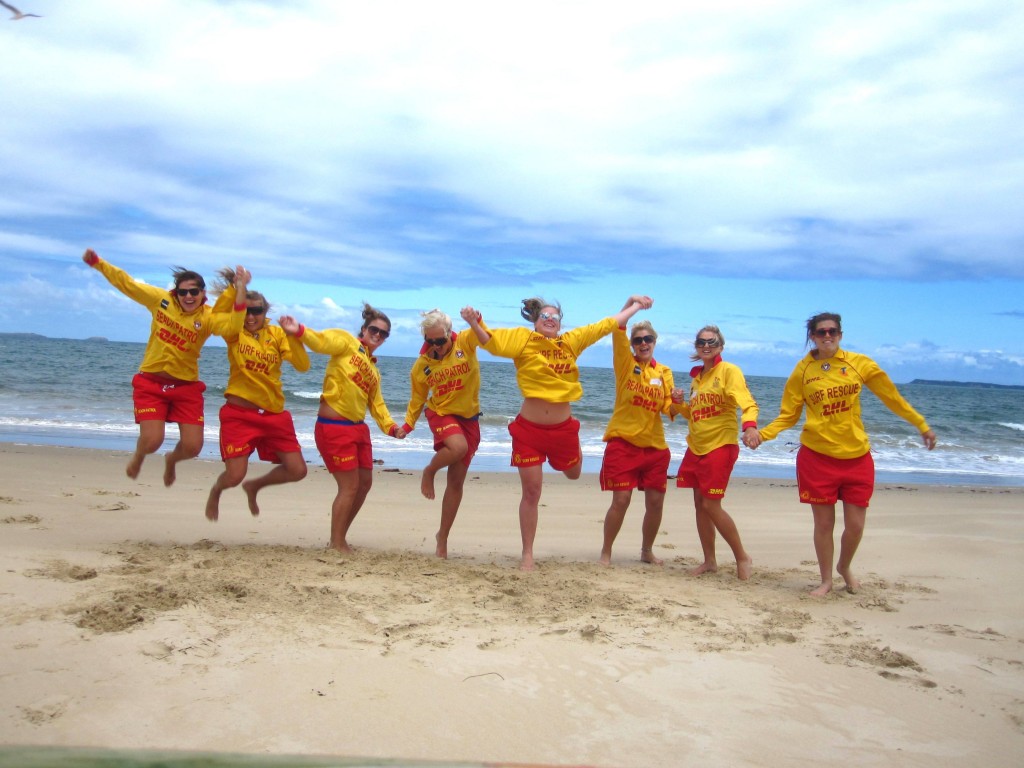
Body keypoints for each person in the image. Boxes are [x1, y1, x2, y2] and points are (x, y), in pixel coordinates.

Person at [745, 312, 937, 596]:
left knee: (856, 526)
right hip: (817, 457)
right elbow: (788, 415)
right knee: (824, 524)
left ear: (840, 334)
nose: (827, 336)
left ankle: (844, 566)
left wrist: (921, 425)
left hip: (856, 456)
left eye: (832, 331)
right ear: (812, 336)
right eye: (821, 332)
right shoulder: (803, 370)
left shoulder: (859, 364)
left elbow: (891, 397)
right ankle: (825, 580)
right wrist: (761, 434)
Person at [462, 295, 652, 570]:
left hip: (563, 431)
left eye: (554, 317)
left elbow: (608, 325)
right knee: (531, 492)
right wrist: (473, 322)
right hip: (529, 431)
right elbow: (490, 342)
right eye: (544, 316)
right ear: (536, 321)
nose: (549, 319)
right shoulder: (522, 340)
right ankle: (527, 553)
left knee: (573, 474)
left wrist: (633, 305)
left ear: (560, 323)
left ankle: (574, 454)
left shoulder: (571, 342)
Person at [81, 249, 250, 485]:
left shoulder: (209, 317)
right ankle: (139, 456)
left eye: (193, 292)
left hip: (186, 387)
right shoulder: (160, 301)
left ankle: (172, 460)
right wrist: (98, 263)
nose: (188, 297)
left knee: (192, 447)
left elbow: (232, 328)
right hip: (151, 383)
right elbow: (127, 284)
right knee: (152, 441)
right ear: (175, 292)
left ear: (202, 294)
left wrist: (240, 290)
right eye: (183, 292)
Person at [280, 304, 406, 553]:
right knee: (348, 486)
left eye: (384, 334)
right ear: (364, 328)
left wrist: (392, 428)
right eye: (374, 329)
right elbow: (322, 342)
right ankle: (337, 543)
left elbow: (377, 404)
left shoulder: (373, 371)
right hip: (334, 426)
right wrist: (299, 331)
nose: (378, 335)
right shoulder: (347, 343)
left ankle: (339, 537)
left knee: (365, 484)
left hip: (359, 429)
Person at [204, 273, 310, 522]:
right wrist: (239, 287)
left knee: (298, 470)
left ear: (265, 311)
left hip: (273, 415)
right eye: (247, 311)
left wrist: (293, 335)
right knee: (234, 476)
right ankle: (216, 491)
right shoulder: (234, 332)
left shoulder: (276, 333)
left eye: (257, 311)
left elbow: (303, 365)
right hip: (239, 415)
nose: (251, 317)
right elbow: (233, 318)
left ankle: (255, 486)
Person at [673, 325, 757, 580]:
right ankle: (709, 561)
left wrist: (750, 427)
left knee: (711, 504)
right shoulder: (698, 378)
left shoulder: (729, 371)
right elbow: (695, 415)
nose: (706, 346)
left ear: (721, 345)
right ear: (696, 347)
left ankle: (742, 556)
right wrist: (680, 405)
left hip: (720, 446)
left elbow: (747, 402)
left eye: (712, 342)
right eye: (701, 342)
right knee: (700, 505)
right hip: (696, 446)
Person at [401, 309, 486, 559]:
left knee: (457, 482)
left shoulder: (465, 343)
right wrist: (407, 425)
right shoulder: (422, 365)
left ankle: (442, 537)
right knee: (457, 448)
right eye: (430, 341)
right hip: (440, 412)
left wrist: (477, 321)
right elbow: (417, 398)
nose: (435, 346)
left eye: (440, 340)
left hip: (469, 418)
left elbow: (485, 337)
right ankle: (429, 471)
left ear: (450, 334)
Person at [598, 308, 676, 566]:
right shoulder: (625, 363)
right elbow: (618, 326)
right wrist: (631, 303)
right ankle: (606, 551)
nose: (643, 344)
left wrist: (677, 403)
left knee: (655, 503)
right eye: (638, 340)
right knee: (621, 500)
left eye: (648, 339)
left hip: (654, 448)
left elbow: (669, 408)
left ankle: (647, 551)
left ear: (655, 341)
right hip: (623, 443)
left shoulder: (664, 372)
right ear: (632, 344)